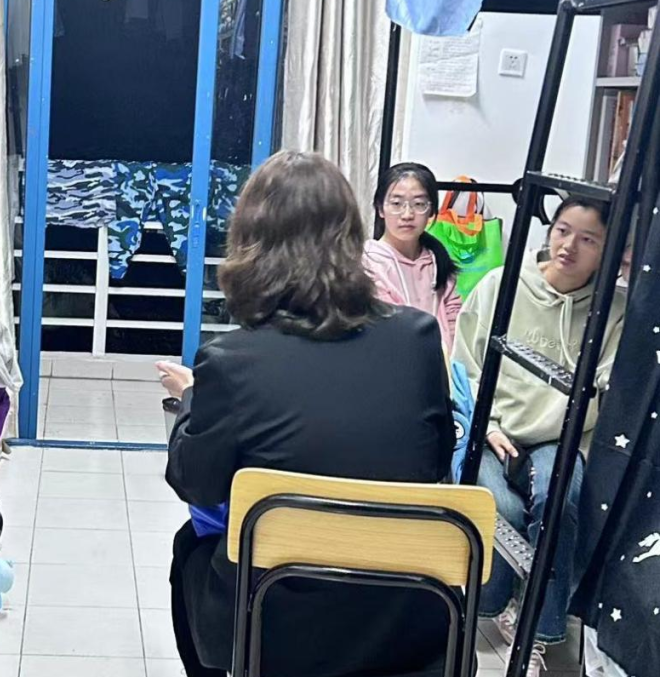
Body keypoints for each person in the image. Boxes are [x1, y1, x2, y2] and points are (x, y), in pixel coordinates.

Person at [156, 151, 456, 677]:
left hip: (277, 627)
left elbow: (195, 484)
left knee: (191, 548)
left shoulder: (231, 361)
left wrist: (193, 400)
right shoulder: (418, 338)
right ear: (352, 235)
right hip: (409, 617)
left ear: (249, 243)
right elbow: (433, 463)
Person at [453, 196, 626, 677]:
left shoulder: (614, 309)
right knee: (498, 508)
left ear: (608, 249)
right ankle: (491, 604)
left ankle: (536, 630)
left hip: (561, 435)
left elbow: (612, 385)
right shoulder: (502, 285)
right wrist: (487, 425)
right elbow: (463, 365)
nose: (569, 246)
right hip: (493, 424)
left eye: (588, 239)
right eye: (563, 230)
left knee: (560, 500)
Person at [364, 162, 462, 353]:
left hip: (441, 361)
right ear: (380, 209)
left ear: (431, 211)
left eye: (419, 204)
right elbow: (383, 327)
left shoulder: (436, 259)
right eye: (396, 203)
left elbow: (454, 320)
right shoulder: (369, 261)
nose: (407, 214)